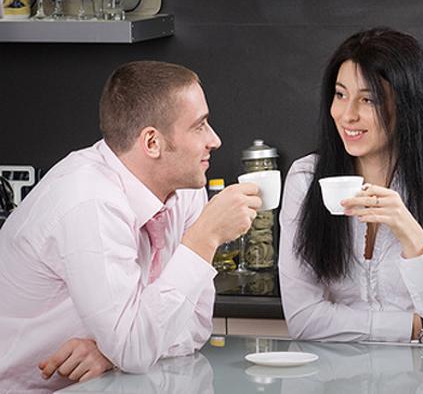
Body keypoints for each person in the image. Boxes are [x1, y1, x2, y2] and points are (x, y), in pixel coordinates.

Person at [0, 61, 261, 391]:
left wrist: (112, 353)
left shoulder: (185, 190)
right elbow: (135, 348)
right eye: (199, 126)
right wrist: (205, 237)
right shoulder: (89, 201)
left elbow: (194, 326)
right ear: (152, 142)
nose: (215, 139)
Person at [279, 28, 423, 347]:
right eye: (340, 94)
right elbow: (303, 319)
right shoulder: (306, 179)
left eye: (368, 99)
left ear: (407, 106)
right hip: (334, 373)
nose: (347, 115)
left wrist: (409, 231)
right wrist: (417, 325)